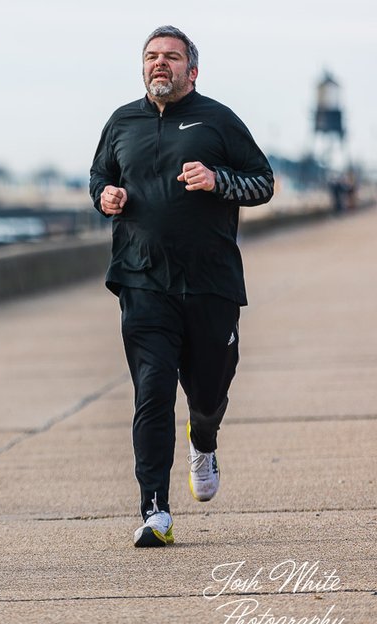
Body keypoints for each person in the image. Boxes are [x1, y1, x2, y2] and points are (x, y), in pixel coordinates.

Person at [89, 26, 274, 547]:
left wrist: (218, 181)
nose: (159, 64)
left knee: (210, 384)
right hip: (141, 279)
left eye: (171, 57)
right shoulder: (121, 121)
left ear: (192, 70)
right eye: (152, 56)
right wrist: (105, 196)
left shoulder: (218, 120)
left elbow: (262, 182)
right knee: (151, 390)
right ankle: (154, 510)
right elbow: (98, 177)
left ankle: (205, 436)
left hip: (211, 280)